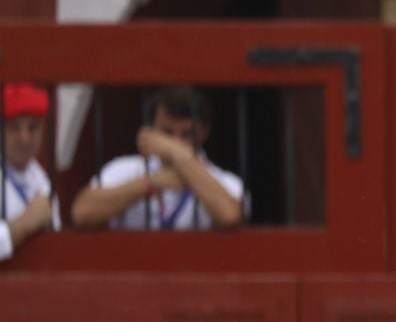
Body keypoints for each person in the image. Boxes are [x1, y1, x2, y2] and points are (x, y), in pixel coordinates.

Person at [71, 85, 245, 230]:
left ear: (205, 132)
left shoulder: (223, 180)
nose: (176, 141)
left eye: (187, 134)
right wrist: (150, 183)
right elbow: (82, 213)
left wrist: (177, 155)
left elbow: (230, 216)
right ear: (152, 128)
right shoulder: (125, 168)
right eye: (167, 133)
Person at [1, 82, 58, 263]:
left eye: (32, 128)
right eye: (14, 128)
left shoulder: (42, 179)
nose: (24, 139)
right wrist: (25, 224)